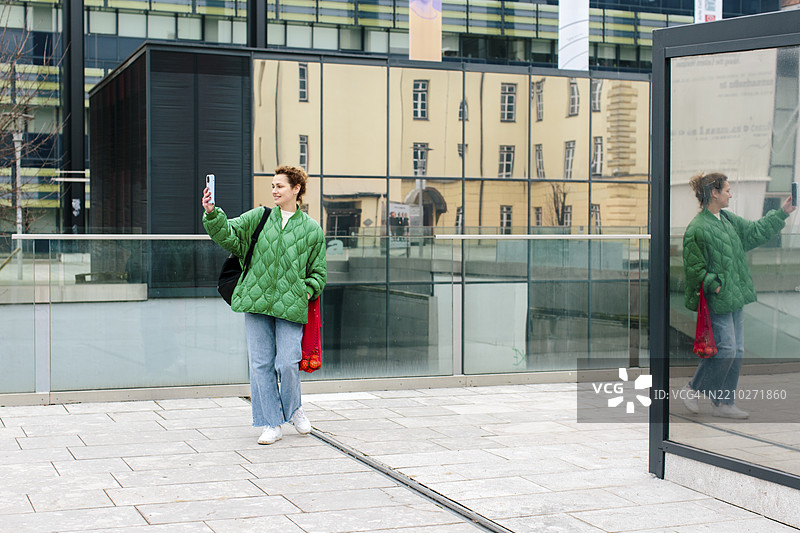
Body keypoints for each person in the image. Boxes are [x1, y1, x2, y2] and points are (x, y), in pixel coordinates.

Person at [202, 165, 326, 444]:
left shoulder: (311, 229)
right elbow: (229, 235)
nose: (274, 190)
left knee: (287, 363)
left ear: (296, 189)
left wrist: (305, 292)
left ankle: (294, 408)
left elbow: (318, 274)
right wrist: (212, 213)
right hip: (256, 301)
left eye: (280, 186)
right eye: (272, 185)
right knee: (260, 364)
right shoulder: (260, 217)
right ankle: (271, 422)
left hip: (291, 305)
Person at [682, 172, 795, 419]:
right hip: (718, 299)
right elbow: (694, 270)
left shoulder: (727, 220)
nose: (730, 194)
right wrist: (716, 286)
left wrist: (783, 212)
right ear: (714, 193)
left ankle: (723, 403)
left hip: (735, 296)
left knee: (738, 350)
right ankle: (692, 389)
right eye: (727, 190)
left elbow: (754, 232)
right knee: (727, 349)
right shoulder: (697, 228)